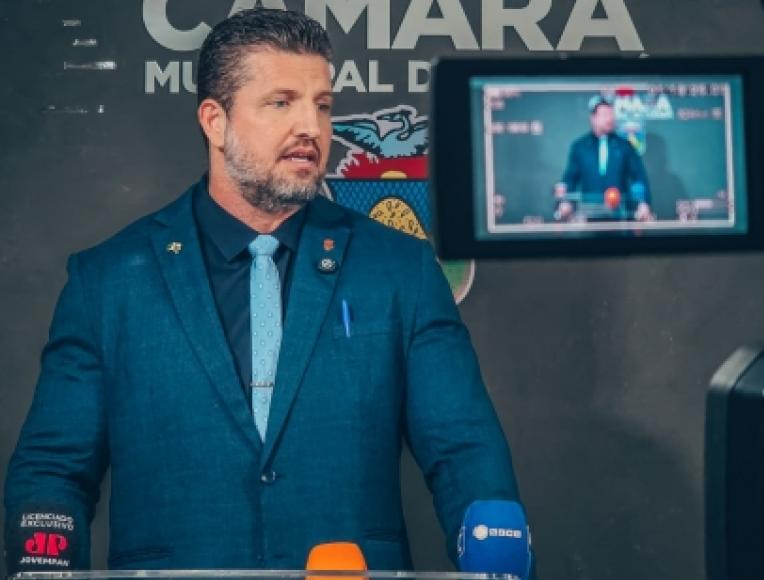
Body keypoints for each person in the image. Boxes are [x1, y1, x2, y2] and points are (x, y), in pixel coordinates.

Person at [4, 8, 520, 573]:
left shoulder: (401, 268)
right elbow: (53, 470)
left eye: (322, 105)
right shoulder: (108, 281)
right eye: (281, 103)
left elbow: (465, 452)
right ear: (215, 121)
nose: (311, 128)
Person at [554, 96, 653, 222]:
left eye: (611, 114)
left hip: (620, 215)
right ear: (593, 118)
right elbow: (570, 178)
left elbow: (638, 178)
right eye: (605, 114)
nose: (609, 119)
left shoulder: (625, 146)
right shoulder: (580, 147)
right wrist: (565, 201)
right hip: (590, 215)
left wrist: (643, 202)